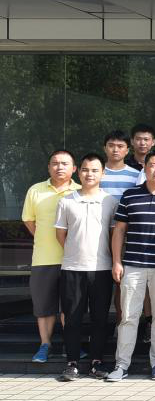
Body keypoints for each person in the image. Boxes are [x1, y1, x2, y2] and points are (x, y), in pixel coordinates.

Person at [108, 151, 155, 382]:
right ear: (145, 168)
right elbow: (119, 231)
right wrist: (117, 261)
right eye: (153, 165)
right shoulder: (130, 195)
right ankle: (121, 365)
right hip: (133, 265)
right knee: (129, 316)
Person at [53, 153, 115, 380]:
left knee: (100, 317)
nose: (90, 174)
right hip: (72, 268)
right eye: (86, 170)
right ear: (79, 172)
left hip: (102, 268)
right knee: (72, 318)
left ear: (103, 174)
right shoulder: (66, 201)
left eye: (95, 170)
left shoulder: (110, 201)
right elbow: (61, 234)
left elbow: (114, 235)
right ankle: (72, 363)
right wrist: (74, 251)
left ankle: (96, 362)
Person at [22, 149, 79, 363]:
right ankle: (45, 344)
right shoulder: (35, 190)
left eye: (65, 163)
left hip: (74, 260)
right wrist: (44, 238)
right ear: (48, 167)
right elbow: (29, 221)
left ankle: (70, 345)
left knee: (70, 307)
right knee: (44, 306)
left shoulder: (80, 191)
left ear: (74, 168)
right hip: (43, 258)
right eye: (55, 163)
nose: (59, 167)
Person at [101, 130, 142, 197]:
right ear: (105, 148)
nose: (115, 150)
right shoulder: (96, 172)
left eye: (120, 146)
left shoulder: (137, 175)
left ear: (127, 150)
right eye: (111, 146)